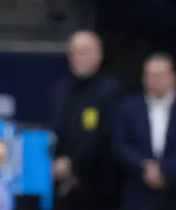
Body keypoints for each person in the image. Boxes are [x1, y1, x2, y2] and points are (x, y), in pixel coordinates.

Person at [112, 54, 176, 210]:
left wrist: (165, 170)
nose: (154, 80)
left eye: (159, 75)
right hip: (138, 193)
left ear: (173, 77)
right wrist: (144, 167)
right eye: (150, 75)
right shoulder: (128, 107)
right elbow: (120, 144)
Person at [49, 30, 122, 210]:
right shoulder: (60, 90)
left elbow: (105, 136)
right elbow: (52, 131)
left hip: (96, 186)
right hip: (61, 187)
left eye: (83, 52)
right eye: (72, 53)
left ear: (98, 55)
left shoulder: (109, 91)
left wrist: (74, 165)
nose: (76, 58)